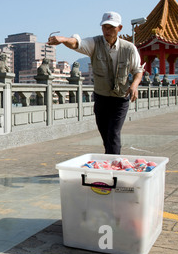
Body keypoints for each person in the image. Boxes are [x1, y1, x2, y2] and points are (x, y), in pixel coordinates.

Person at [47, 11, 144, 155]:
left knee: (113, 133)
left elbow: (138, 70)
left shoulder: (129, 48)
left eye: (111, 27)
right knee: (105, 133)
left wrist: (134, 85)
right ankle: (110, 160)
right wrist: (62, 39)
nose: (107, 31)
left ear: (120, 28)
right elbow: (77, 44)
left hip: (120, 98)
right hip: (101, 97)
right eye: (105, 27)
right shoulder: (95, 43)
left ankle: (113, 167)